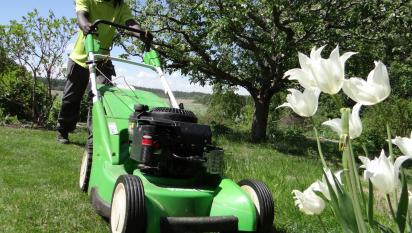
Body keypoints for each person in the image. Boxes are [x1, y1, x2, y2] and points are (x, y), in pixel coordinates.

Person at [57, 0, 152, 144]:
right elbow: (81, 14)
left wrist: (141, 33)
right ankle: (63, 131)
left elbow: (130, 22)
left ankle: (95, 139)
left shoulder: (120, 5)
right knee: (71, 98)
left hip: (103, 60)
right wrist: (85, 25)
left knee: (100, 100)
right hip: (80, 57)